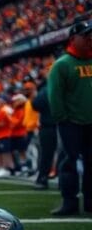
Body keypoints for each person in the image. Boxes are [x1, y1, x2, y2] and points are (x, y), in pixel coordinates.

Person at [47, 20, 92, 215]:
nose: (90, 39)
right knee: (68, 163)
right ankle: (69, 201)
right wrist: (63, 119)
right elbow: (55, 95)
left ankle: (91, 202)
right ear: (74, 39)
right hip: (71, 123)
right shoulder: (62, 65)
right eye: (86, 35)